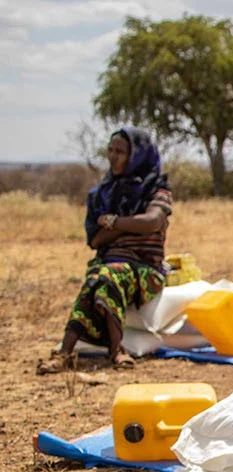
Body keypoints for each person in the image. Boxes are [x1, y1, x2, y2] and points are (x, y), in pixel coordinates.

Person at [39, 127, 172, 374]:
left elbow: (151, 222)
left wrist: (114, 222)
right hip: (108, 263)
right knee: (97, 279)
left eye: (121, 151)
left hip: (145, 270)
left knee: (108, 275)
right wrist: (130, 224)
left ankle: (115, 350)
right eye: (110, 150)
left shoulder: (157, 189)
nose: (113, 156)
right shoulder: (102, 193)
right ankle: (65, 354)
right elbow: (95, 239)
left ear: (137, 155)